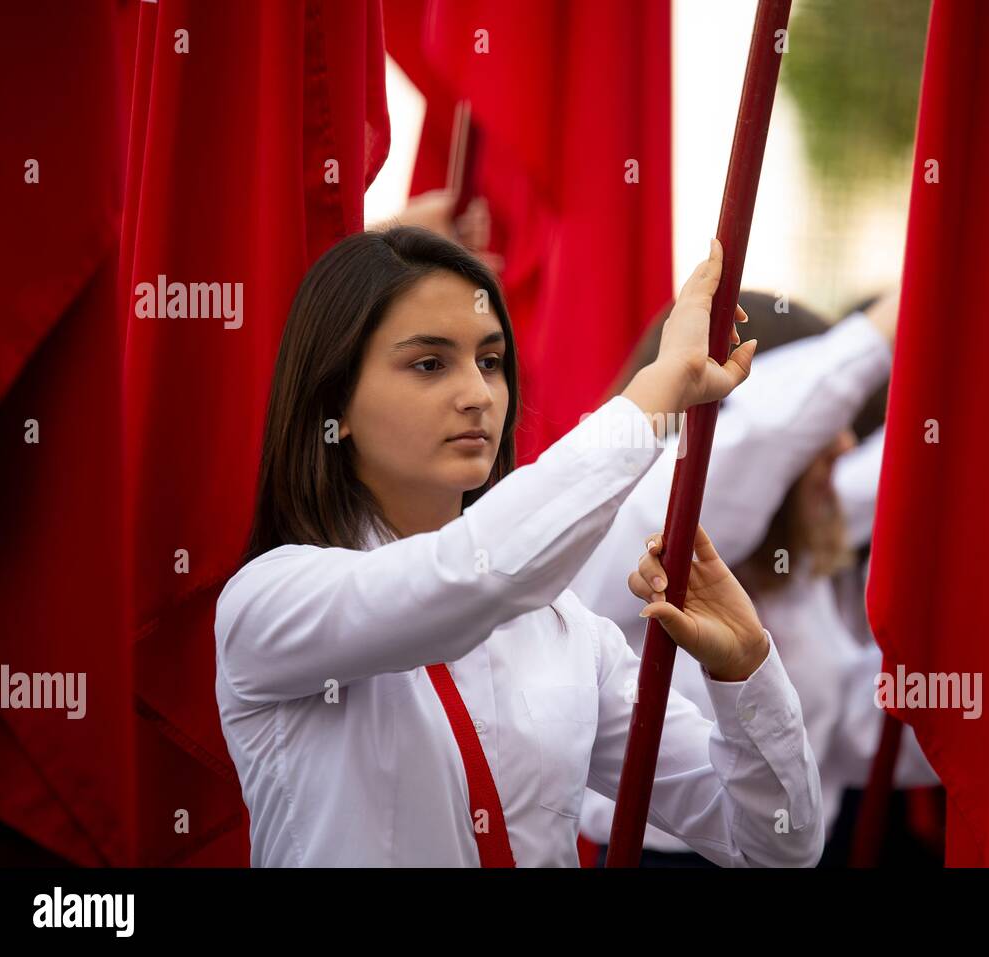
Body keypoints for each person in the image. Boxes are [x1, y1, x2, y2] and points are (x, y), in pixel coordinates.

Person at [213, 226, 826, 866]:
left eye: (491, 361)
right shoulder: (268, 602)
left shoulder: (566, 633)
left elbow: (776, 844)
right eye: (429, 363)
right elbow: (462, 582)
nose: (478, 395)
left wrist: (746, 669)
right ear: (332, 397)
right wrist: (658, 392)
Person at [572, 291, 936, 865]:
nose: (844, 443)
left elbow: (835, 729)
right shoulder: (627, 526)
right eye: (825, 423)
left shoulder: (790, 555)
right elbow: (761, 440)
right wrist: (917, 298)